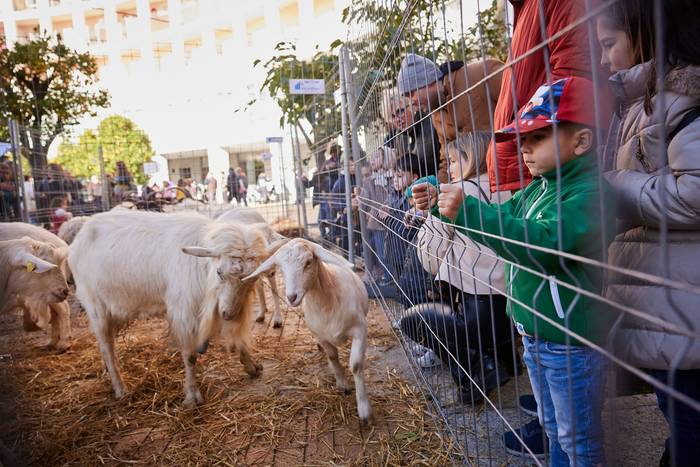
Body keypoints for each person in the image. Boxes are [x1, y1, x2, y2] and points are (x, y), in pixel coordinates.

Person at [413, 77, 614, 466]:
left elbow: (540, 243)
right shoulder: (537, 189)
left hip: (568, 341)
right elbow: (499, 221)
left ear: (582, 142)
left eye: (538, 137)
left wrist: (469, 210)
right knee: (555, 429)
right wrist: (442, 202)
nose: (524, 148)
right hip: (534, 332)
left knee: (578, 439)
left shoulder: (589, 195)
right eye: (523, 138)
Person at [597, 2, 700, 466]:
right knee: (675, 407)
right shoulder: (642, 100)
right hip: (667, 304)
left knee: (689, 413)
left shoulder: (685, 98)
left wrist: (616, 188)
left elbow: (696, 191)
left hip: (687, 308)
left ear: (643, 35)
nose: (603, 60)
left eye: (608, 45)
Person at [401, 131, 518, 400]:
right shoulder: (510, 187)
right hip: (512, 310)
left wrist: (427, 226)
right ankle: (507, 361)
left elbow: (429, 258)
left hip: (477, 312)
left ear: (473, 159)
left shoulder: (455, 194)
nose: (449, 169)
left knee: (412, 321)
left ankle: (477, 369)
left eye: (454, 161)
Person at [488, 0, 594, 193]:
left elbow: (571, 79)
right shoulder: (524, 9)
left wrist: (526, 134)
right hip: (527, 157)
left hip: (549, 162)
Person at [397, 54, 503, 182]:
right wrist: (437, 188)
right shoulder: (436, 116)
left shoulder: (480, 73)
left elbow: (525, 101)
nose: (410, 102)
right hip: (480, 187)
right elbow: (447, 160)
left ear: (428, 81)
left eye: (410, 94)